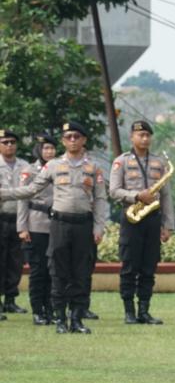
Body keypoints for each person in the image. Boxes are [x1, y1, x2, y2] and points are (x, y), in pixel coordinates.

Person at [0, 121, 109, 334]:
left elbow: (101, 198)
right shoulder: (53, 166)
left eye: (77, 136)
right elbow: (31, 189)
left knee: (80, 271)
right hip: (59, 224)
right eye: (68, 137)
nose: (73, 140)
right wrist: (4, 193)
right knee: (57, 271)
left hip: (83, 224)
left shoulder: (93, 168)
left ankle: (76, 318)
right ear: (63, 141)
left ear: (84, 140)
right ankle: (60, 319)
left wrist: (99, 227)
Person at [109, 120, 174, 325]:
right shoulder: (121, 161)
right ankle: (129, 311)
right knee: (129, 266)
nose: (144, 138)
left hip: (153, 219)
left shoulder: (158, 163)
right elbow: (113, 191)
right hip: (131, 218)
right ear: (132, 137)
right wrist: (137, 195)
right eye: (140, 135)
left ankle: (144, 311)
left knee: (149, 267)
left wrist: (167, 225)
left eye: (147, 135)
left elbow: (166, 196)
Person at [17, 132, 58, 325]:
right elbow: (22, 200)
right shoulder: (29, 170)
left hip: (56, 226)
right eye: (45, 148)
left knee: (53, 270)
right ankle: (37, 310)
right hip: (35, 224)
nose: (49, 151)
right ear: (39, 150)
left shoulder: (59, 168)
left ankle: (50, 308)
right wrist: (22, 227)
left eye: (51, 148)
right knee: (38, 270)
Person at [0, 128, 29, 315]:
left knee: (15, 261)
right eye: (5, 142)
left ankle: (10, 299)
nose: (9, 145)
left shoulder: (25, 166)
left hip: (18, 219)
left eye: (12, 142)